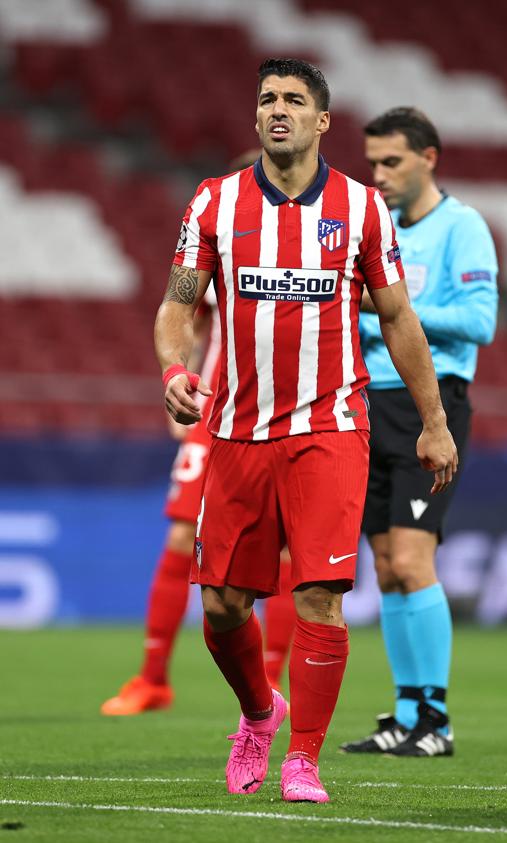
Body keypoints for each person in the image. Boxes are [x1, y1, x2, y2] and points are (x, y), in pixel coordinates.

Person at [154, 59, 457, 803]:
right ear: (254, 117)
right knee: (223, 605)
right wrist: (172, 371)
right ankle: (260, 711)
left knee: (321, 593)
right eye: (266, 99)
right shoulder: (215, 203)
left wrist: (434, 421)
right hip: (238, 429)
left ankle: (304, 759)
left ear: (323, 121)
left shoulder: (359, 209)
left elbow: (396, 316)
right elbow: (176, 306)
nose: (277, 109)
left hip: (331, 426)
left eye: (294, 99)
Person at [101, 154, 297, 717]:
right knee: (183, 537)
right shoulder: (218, 236)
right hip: (215, 414)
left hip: (288, 415)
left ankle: (268, 683)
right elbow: (184, 311)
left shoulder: (314, 243)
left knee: (283, 549)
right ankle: (152, 679)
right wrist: (178, 378)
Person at [340, 107, 498, 757]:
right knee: (385, 568)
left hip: (427, 407)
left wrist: (388, 307)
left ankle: (436, 718)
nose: (377, 175)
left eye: (392, 162)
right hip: (366, 406)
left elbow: (480, 320)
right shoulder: (376, 228)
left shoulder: (462, 226)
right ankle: (407, 715)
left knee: (411, 559)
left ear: (429, 157)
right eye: (372, 162)